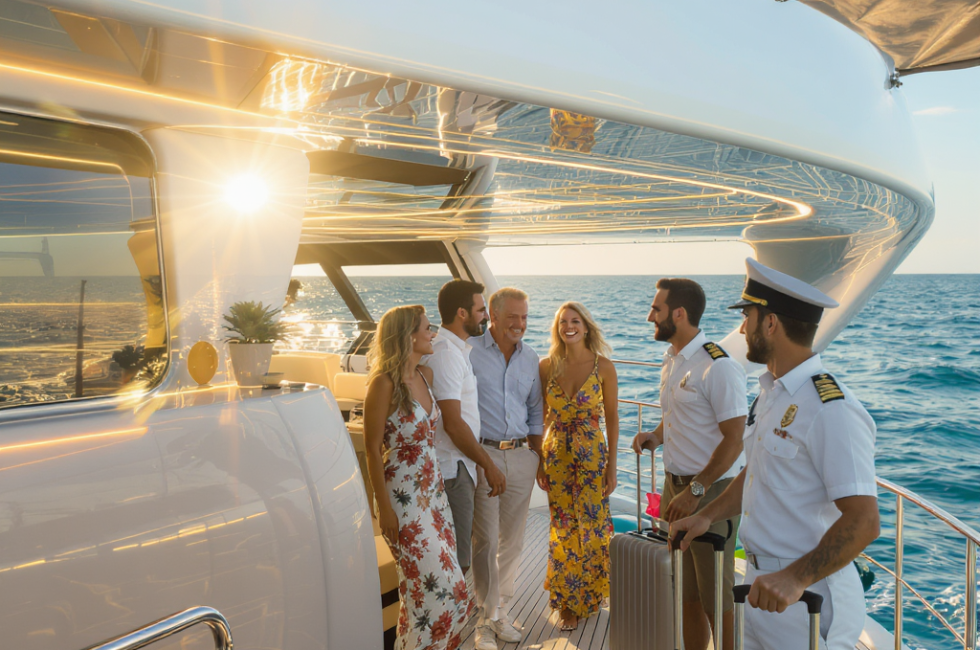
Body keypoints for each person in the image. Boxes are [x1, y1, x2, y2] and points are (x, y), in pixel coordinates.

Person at [671, 259, 880, 650]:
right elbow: (756, 472)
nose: (742, 328)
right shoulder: (771, 394)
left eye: (748, 316)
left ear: (771, 324)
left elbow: (865, 521)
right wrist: (706, 515)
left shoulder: (829, 408)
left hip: (806, 597)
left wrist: (796, 578)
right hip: (757, 585)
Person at [631, 278, 748, 650]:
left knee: (717, 594)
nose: (651, 316)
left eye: (657, 309)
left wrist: (697, 490)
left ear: (678, 314)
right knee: (686, 590)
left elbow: (735, 439)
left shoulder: (718, 367)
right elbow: (679, 415)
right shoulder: (674, 360)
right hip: (676, 487)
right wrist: (656, 435)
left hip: (709, 492)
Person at [364, 305, 473, 650]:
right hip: (403, 501)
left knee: (431, 596)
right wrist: (383, 506)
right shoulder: (383, 384)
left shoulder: (426, 374)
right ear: (408, 335)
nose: (433, 334)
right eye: (427, 328)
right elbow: (370, 448)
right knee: (439, 592)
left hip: (434, 496)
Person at [469, 287, 544, 650]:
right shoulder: (469, 352)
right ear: (492, 316)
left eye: (525, 317)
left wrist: (537, 456)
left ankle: (501, 609)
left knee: (512, 542)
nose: (519, 324)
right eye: (512, 316)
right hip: (483, 455)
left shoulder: (531, 358)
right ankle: (485, 621)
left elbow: (535, 411)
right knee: (485, 541)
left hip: (520, 456)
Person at [537, 301, 618, 631]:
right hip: (556, 457)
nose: (568, 326)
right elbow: (542, 416)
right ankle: (567, 603)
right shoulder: (547, 366)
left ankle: (592, 596)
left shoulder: (604, 367)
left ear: (586, 326)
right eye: (562, 322)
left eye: (574, 321)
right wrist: (540, 463)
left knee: (593, 528)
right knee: (563, 528)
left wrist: (612, 467)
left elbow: (612, 418)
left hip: (592, 459)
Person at [424, 280, 507, 575]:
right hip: (453, 468)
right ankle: (454, 620)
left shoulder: (456, 350)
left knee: (460, 554)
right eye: (481, 309)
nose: (485, 315)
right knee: (458, 560)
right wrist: (489, 464)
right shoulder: (446, 354)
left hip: (461, 466)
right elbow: (454, 424)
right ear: (462, 313)